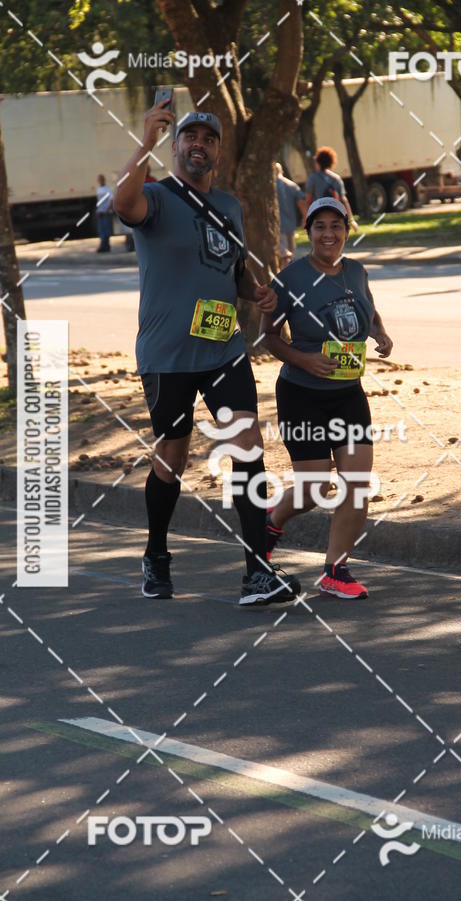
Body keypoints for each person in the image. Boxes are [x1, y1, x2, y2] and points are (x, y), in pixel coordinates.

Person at [113, 102, 301, 606]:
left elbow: (232, 267)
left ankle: (257, 571)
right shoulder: (154, 197)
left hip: (223, 351)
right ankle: (155, 554)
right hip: (166, 355)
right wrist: (143, 141)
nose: (199, 144)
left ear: (218, 150)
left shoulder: (230, 205)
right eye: (189, 137)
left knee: (247, 445)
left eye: (209, 139)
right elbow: (120, 205)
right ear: (175, 146)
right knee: (172, 456)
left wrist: (257, 290)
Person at [259, 197, 393, 600]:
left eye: (337, 226)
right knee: (315, 486)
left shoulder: (356, 271)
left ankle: (336, 569)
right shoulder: (291, 278)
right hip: (302, 393)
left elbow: (367, 310)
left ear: (347, 231)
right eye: (320, 227)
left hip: (348, 392)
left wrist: (381, 333)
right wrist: (303, 360)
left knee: (356, 482)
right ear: (308, 232)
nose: (329, 234)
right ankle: (271, 520)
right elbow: (268, 335)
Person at [305, 146, 359, 233]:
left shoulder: (312, 178)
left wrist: (306, 219)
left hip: (318, 216)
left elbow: (308, 200)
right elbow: (344, 200)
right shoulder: (336, 178)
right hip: (335, 216)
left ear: (318, 162)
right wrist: (351, 220)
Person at [276, 162, 305, 266]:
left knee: (284, 255)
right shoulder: (291, 185)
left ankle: (286, 275)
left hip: (277, 226)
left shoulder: (269, 186)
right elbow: (301, 202)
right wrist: (305, 218)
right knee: (291, 253)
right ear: (282, 171)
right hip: (291, 225)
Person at [96, 174, 113, 253]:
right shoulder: (99, 189)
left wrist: (107, 210)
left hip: (106, 212)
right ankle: (103, 245)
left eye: (100, 179)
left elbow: (111, 200)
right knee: (101, 229)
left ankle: (106, 245)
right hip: (100, 211)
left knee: (106, 230)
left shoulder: (108, 189)